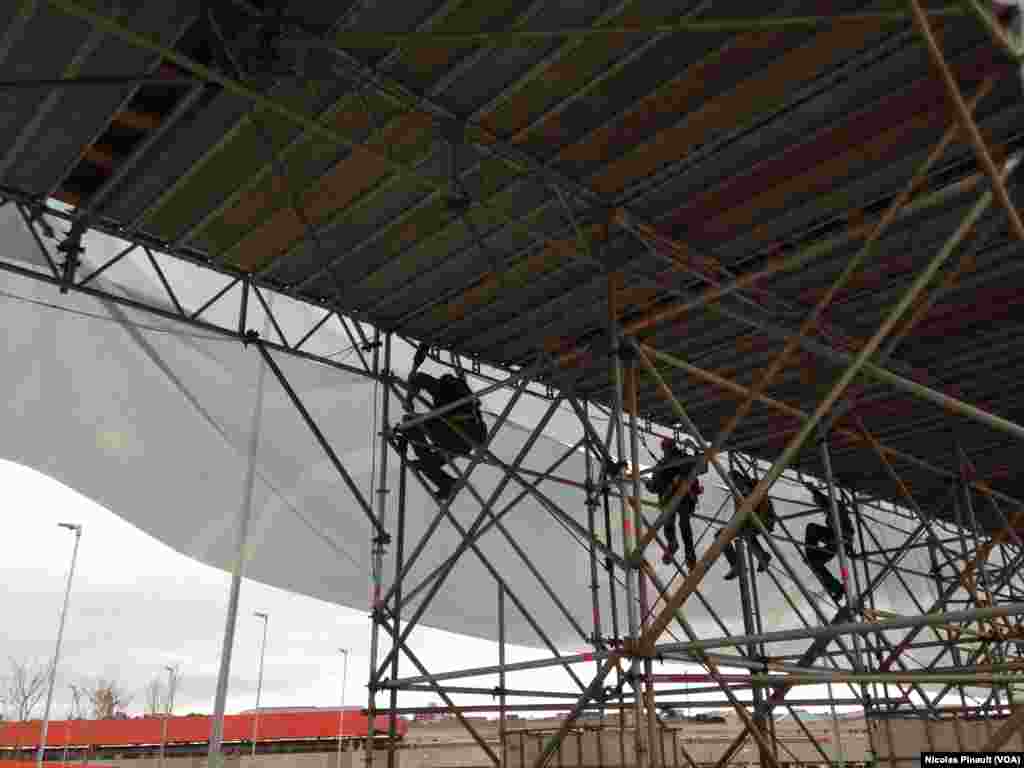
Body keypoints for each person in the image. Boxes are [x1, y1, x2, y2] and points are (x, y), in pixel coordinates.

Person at [398, 343, 487, 502]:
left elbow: (418, 379)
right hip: (467, 440)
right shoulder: (462, 393)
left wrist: (408, 400)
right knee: (425, 463)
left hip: (457, 435)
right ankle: (446, 483)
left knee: (409, 423)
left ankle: (443, 480)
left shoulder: (446, 394)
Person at [645, 437, 707, 568]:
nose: (666, 451)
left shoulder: (676, 461)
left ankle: (684, 552)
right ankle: (681, 550)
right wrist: (694, 450)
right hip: (678, 498)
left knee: (680, 524)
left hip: (682, 497)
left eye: (667, 448)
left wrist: (695, 449)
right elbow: (702, 466)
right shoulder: (669, 463)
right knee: (676, 523)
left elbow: (701, 467)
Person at [804, 483, 855, 603]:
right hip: (836, 538)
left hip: (840, 540)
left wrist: (814, 491)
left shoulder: (835, 507)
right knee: (812, 530)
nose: (820, 508)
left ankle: (837, 588)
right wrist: (813, 491)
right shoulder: (833, 508)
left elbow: (848, 532)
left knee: (812, 530)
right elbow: (822, 499)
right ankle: (837, 588)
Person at [721, 468, 775, 581]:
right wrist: (732, 526)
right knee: (720, 535)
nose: (734, 486)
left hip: (764, 519)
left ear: (739, 479)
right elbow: (738, 513)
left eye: (733, 483)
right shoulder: (738, 493)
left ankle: (761, 556)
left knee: (746, 532)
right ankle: (737, 564)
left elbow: (765, 505)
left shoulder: (755, 484)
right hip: (749, 521)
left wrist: (756, 522)